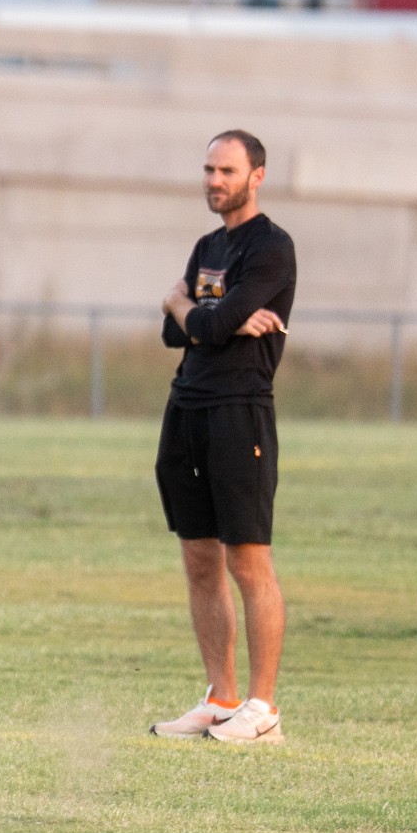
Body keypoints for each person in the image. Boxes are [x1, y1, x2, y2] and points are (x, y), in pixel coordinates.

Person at [149, 130, 295, 745]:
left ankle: (262, 710)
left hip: (240, 413)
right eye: (209, 169)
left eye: (227, 170)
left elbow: (203, 323)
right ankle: (222, 698)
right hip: (186, 408)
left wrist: (183, 306)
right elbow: (176, 335)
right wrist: (208, 318)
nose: (214, 180)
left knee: (248, 561)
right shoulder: (208, 246)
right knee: (199, 559)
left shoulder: (272, 247)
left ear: (256, 176)